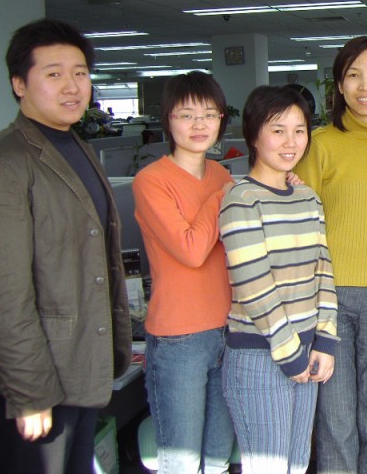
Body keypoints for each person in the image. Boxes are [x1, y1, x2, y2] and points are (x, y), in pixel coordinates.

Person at [0, 18, 132, 474]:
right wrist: (30, 393)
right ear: (19, 84)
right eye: (54, 73)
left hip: (77, 368)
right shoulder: (2, 163)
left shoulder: (75, 147)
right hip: (34, 383)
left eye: (80, 73)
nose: (72, 86)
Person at [293, 36, 367, 474]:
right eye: (353, 75)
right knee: (336, 419)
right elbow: (300, 224)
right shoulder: (318, 144)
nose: (365, 86)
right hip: (328, 299)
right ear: (339, 85)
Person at [219, 86, 339, 473]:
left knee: (297, 465)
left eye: (299, 130)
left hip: (307, 352)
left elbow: (323, 271)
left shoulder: (308, 198)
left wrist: (325, 341)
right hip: (260, 355)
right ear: (254, 135)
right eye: (278, 130)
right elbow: (254, 286)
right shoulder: (241, 200)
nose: (291, 142)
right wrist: (291, 354)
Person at [133, 71, 236, 474]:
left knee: (217, 457)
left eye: (209, 114)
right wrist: (222, 198)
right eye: (186, 115)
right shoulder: (152, 181)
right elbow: (192, 250)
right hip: (179, 339)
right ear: (168, 119)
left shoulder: (221, 175)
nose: (199, 125)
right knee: (182, 462)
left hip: (227, 330)